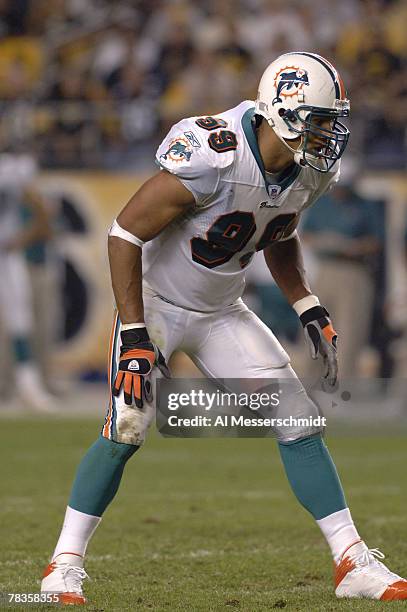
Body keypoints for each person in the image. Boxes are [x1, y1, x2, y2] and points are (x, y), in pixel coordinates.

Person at [41, 52, 407, 603]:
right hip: (158, 305)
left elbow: (278, 230)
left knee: (297, 419)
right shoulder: (217, 154)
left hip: (221, 312)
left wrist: (306, 301)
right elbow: (123, 233)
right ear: (281, 113)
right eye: (319, 119)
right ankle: (62, 565)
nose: (330, 132)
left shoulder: (310, 168)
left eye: (333, 120)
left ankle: (351, 561)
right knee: (130, 420)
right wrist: (136, 333)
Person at [0, 150, 54, 411]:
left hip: (6, 256)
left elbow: (41, 211)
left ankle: (28, 385)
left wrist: (20, 238)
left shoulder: (11, 167)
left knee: (20, 321)